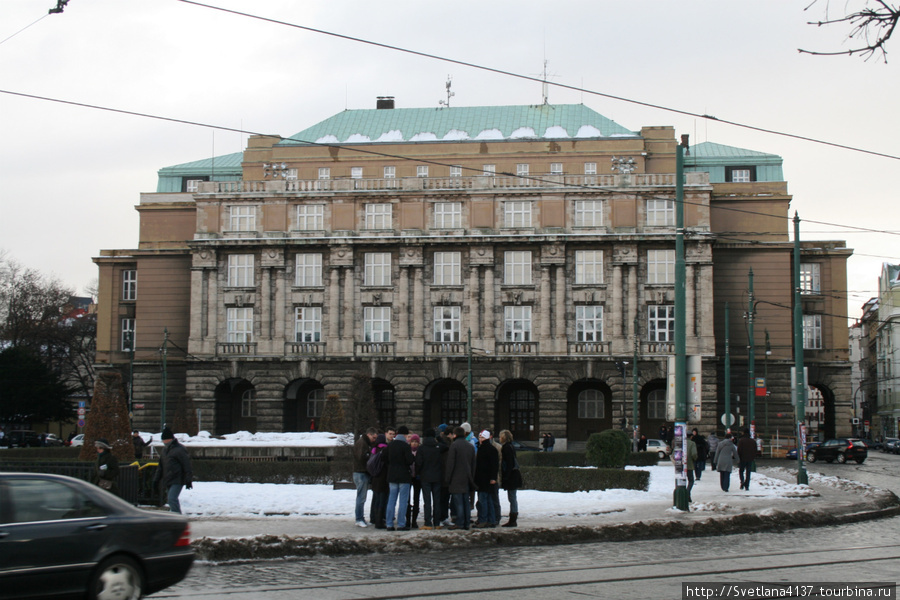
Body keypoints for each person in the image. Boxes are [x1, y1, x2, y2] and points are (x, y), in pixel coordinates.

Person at [152, 427, 193, 513]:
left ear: (169, 439)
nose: (163, 442)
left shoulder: (180, 449)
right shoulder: (164, 450)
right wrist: (156, 480)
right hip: (168, 479)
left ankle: (177, 517)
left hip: (177, 479)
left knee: (172, 499)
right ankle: (176, 516)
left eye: (165, 440)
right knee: (171, 500)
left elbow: (187, 465)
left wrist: (188, 479)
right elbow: (161, 466)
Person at [444, 425, 476, 530]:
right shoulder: (470, 446)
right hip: (467, 478)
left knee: (458, 502)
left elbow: (450, 464)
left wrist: (447, 478)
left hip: (456, 478)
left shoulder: (454, 446)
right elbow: (473, 464)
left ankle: (460, 522)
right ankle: (466, 522)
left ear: (455, 435)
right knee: (466, 501)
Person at [385, 425, 414, 530]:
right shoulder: (405, 446)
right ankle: (401, 524)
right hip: (404, 476)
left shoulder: (391, 445)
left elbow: (384, 457)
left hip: (392, 475)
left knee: (391, 500)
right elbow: (409, 460)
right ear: (405, 434)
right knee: (403, 501)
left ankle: (389, 524)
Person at [416, 428, 445, 529]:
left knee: (427, 501)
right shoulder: (438, 447)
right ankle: (437, 523)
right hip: (437, 477)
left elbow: (418, 463)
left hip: (425, 477)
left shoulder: (421, 448)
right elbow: (446, 446)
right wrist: (439, 438)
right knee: (437, 501)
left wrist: (418, 473)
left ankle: (427, 522)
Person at [352, 427, 377, 527]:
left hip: (361, 472)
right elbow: (361, 457)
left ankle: (360, 518)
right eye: (374, 437)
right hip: (360, 472)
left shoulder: (364, 442)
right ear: (369, 435)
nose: (374, 440)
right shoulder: (362, 443)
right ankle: (359, 519)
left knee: (361, 497)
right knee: (361, 497)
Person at [473, 430, 499, 528]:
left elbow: (494, 465)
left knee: (484, 500)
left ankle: (484, 520)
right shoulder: (483, 448)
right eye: (480, 437)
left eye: (482, 437)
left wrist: (493, 477)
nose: (480, 439)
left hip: (485, 479)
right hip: (483, 478)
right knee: (488, 500)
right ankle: (490, 520)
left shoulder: (488, 449)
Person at [499, 429, 521, 528]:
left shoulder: (506, 448)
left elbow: (508, 464)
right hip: (514, 475)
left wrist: (506, 477)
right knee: (513, 498)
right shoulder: (511, 446)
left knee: (512, 498)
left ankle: (513, 519)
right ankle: (513, 518)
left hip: (511, 476)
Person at [368, 434, 390, 529]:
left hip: (374, 478)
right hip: (383, 479)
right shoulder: (385, 450)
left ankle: (374, 518)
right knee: (382, 500)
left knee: (376, 500)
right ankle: (380, 521)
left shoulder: (374, 450)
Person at [406, 433, 422, 529]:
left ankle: (414, 520)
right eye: (413, 441)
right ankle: (408, 520)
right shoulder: (407, 451)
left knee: (416, 499)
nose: (414, 443)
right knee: (407, 499)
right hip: (408, 477)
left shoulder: (420, 452)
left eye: (416, 442)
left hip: (417, 477)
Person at [683, 432, 698, 501]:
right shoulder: (692, 443)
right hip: (689, 465)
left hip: (680, 466)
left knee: (681, 481)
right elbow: (694, 454)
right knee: (691, 480)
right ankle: (687, 492)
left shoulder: (681, 443)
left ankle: (684, 494)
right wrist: (694, 459)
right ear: (691, 437)